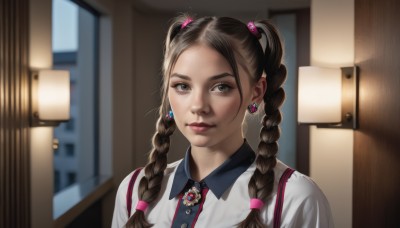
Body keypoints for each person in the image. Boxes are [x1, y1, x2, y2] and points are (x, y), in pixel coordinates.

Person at [112, 14, 334, 228]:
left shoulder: (295, 198)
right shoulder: (133, 190)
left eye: (221, 87)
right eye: (182, 86)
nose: (198, 105)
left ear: (256, 92)